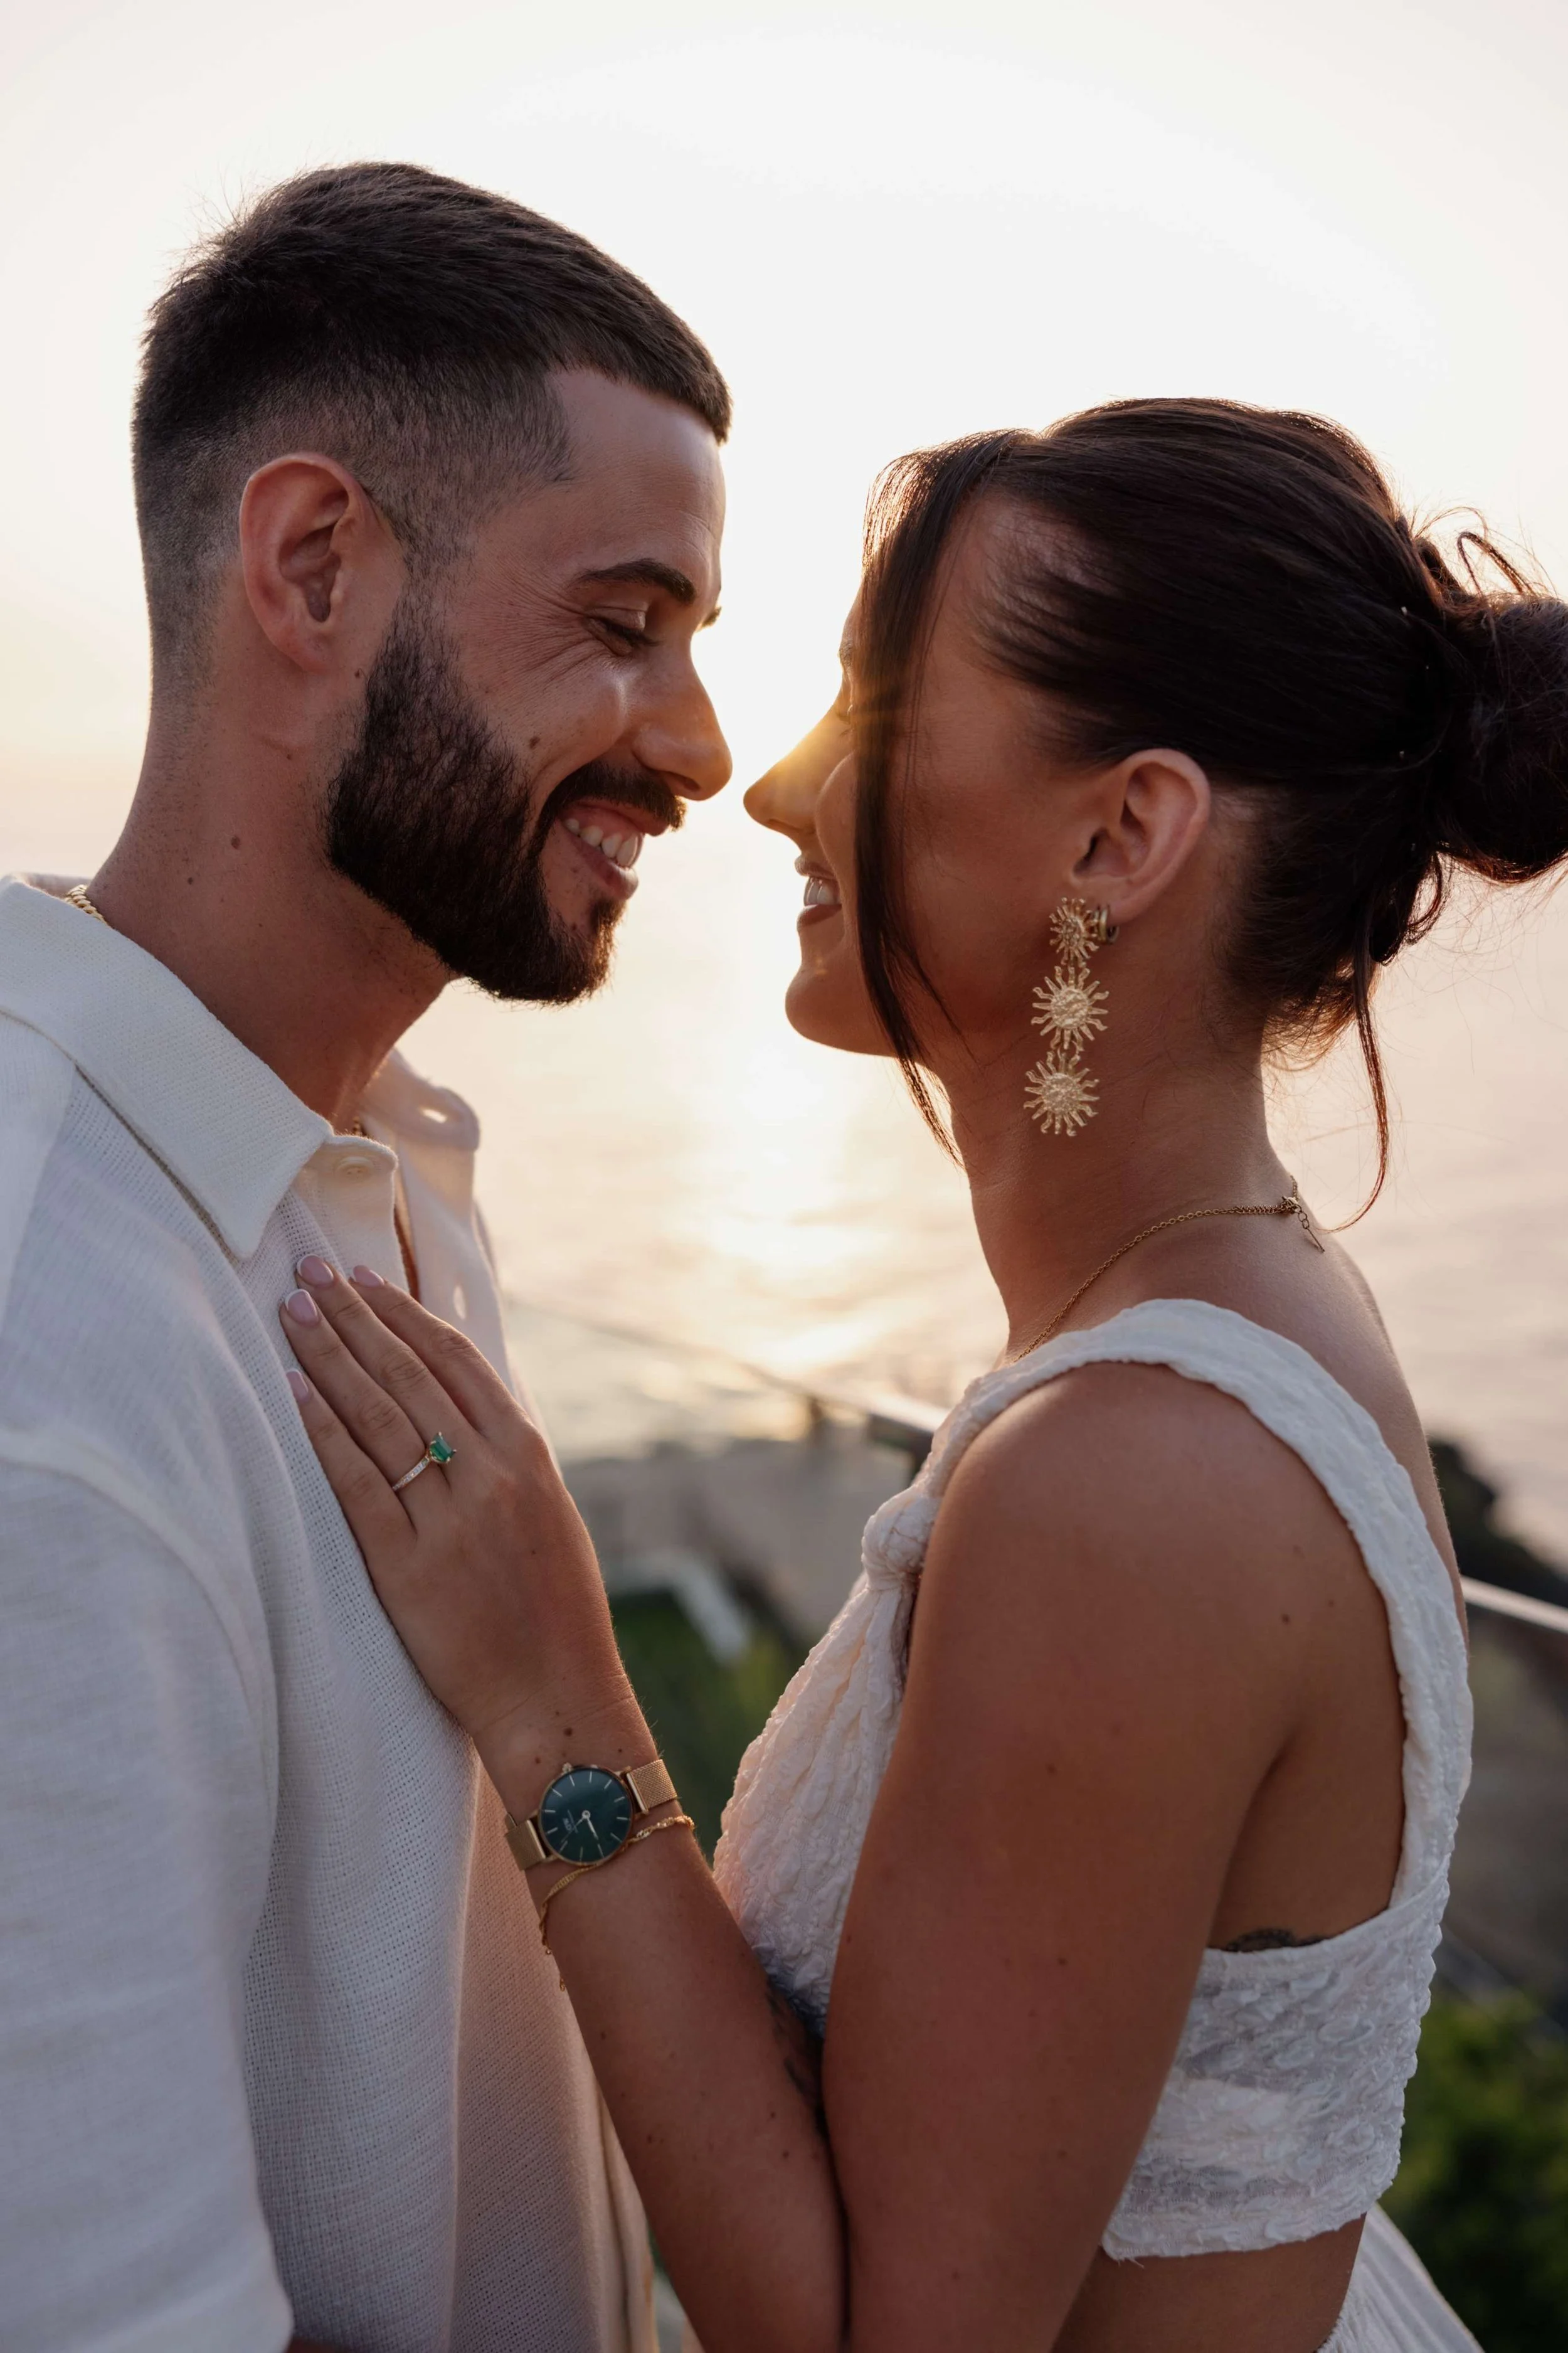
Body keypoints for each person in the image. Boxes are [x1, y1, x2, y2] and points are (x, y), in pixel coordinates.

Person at [279, 400, 1568, 2352]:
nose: (780, 790)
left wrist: (554, 1693)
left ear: (1118, 835)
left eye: (874, 715)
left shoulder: (1132, 1474)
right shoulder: (1224, 1314)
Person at [0, 162, 731, 2353]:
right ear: (314, 564)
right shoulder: (54, 1366)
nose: (695, 742)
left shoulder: (364, 1169)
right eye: (624, 623)